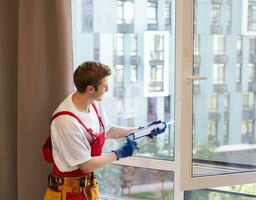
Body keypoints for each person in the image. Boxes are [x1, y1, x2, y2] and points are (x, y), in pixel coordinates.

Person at [43, 61, 166, 200]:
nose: (107, 89)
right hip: (67, 193)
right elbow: (86, 165)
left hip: (87, 188)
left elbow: (109, 130)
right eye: (104, 85)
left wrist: (142, 130)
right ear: (90, 89)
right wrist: (118, 153)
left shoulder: (93, 103)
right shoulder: (66, 122)